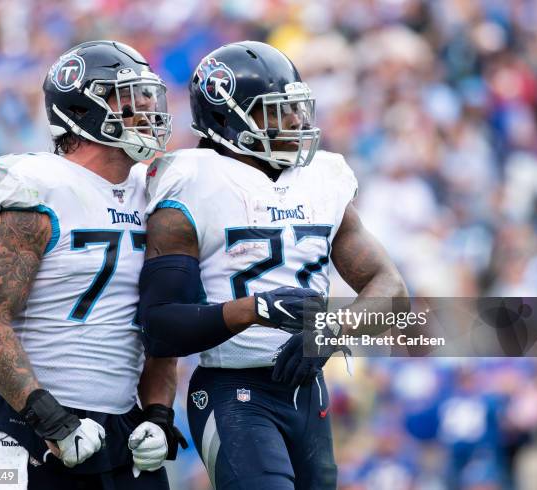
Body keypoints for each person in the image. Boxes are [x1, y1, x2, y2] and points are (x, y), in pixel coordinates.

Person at [138, 41, 408, 489]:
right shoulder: (193, 181)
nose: (298, 122)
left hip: (308, 388)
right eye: (277, 111)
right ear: (229, 119)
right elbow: (160, 327)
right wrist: (256, 309)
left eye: (297, 107)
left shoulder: (321, 177)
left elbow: (392, 290)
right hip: (232, 392)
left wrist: (330, 333)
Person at [0, 40, 185, 490]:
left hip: (122, 428)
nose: (147, 108)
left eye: (148, 96)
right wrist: (51, 419)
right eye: (129, 98)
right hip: (26, 427)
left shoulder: (159, 191)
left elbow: (161, 320)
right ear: (83, 109)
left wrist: (159, 413)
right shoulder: (35, 186)